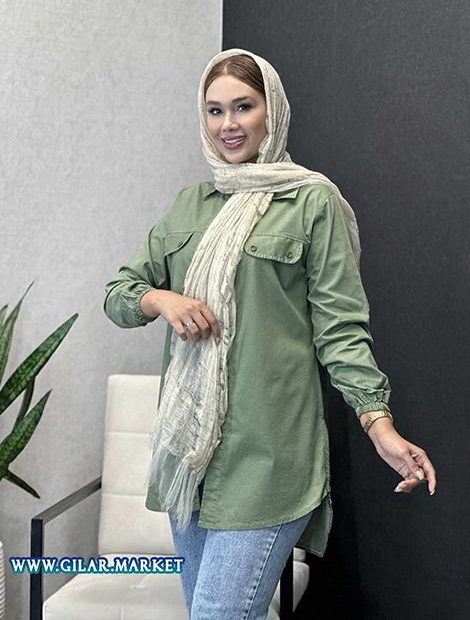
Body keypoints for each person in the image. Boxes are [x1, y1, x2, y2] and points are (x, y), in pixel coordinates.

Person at [103, 48, 437, 620]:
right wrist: (161, 299)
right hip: (191, 461)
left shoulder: (312, 201)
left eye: (243, 107)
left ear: (272, 111)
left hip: (270, 459)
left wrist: (378, 423)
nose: (228, 124)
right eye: (215, 110)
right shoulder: (191, 204)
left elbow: (340, 329)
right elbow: (120, 294)